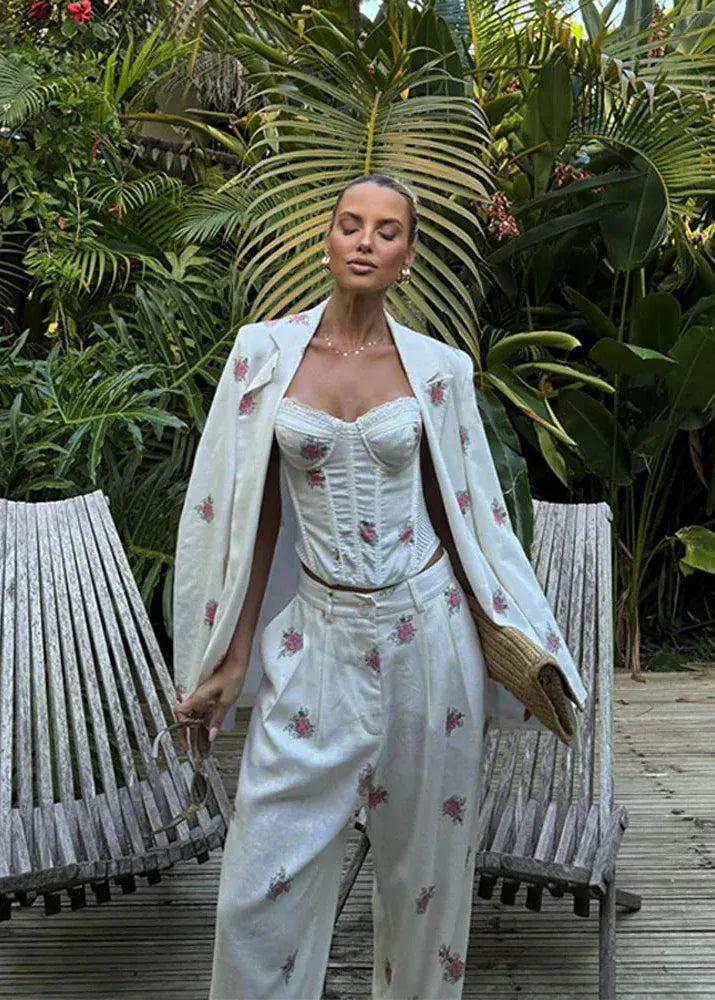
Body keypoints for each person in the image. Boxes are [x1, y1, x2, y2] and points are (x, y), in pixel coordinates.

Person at [172, 173, 584, 999]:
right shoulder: (262, 356)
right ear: (326, 240)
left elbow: (467, 512)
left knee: (423, 884)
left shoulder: (438, 370)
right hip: (316, 641)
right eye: (350, 224)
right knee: (258, 889)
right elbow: (246, 514)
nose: (365, 240)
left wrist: (509, 631)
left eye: (386, 231)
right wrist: (228, 658)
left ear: (407, 255)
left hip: (428, 644)